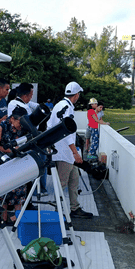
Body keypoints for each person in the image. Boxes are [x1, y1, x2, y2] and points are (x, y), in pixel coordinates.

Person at [46, 81, 93, 219]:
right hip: (64, 152)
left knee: (74, 179)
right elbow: (67, 133)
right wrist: (75, 152)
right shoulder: (67, 108)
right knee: (62, 182)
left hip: (63, 151)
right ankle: (58, 212)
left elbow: (49, 125)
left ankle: (75, 208)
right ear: (77, 95)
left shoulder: (59, 105)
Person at [0, 106, 28, 221]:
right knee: (4, 192)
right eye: (19, 123)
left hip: (19, 163)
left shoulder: (24, 126)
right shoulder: (2, 126)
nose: (21, 126)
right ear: (12, 119)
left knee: (20, 192)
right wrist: (10, 150)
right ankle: (3, 218)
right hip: (3, 162)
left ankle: (18, 220)